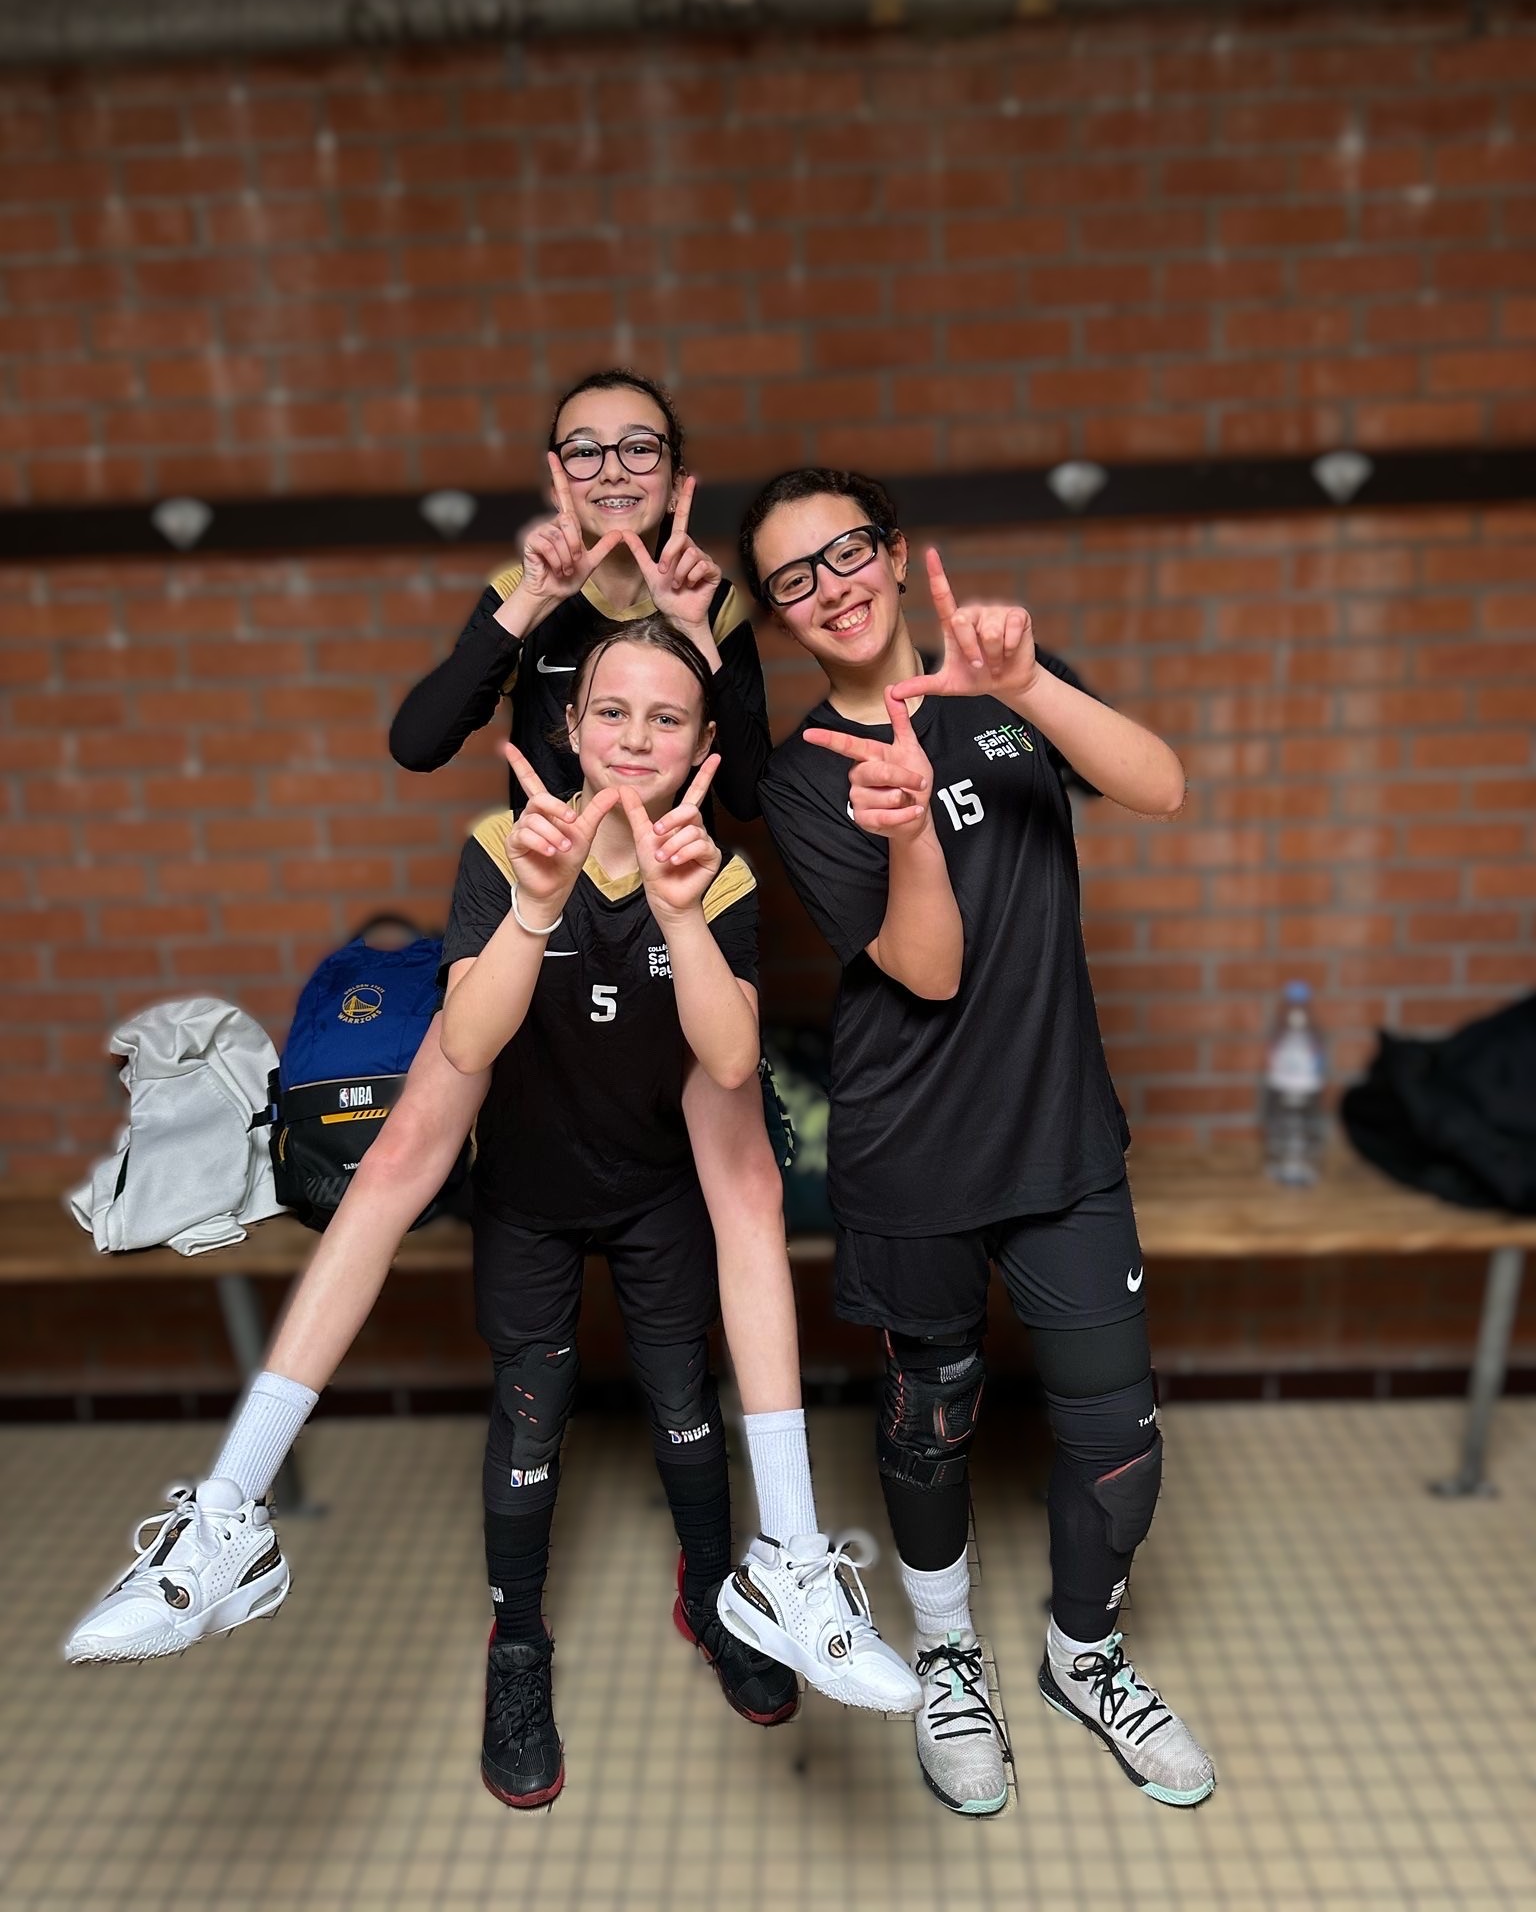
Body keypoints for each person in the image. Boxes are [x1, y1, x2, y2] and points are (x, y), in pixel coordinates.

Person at [65, 378, 917, 1724]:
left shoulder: (711, 646)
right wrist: (523, 625)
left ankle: (779, 1565)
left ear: (676, 472)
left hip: (667, 930)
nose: (616, 467)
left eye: (641, 446)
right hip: (536, 902)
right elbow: (420, 742)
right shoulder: (531, 614)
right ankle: (236, 1517)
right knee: (409, 1148)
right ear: (556, 470)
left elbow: (747, 797)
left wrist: (709, 648)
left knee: (742, 1189)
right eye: (589, 447)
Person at [718, 466, 1216, 1816]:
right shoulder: (803, 776)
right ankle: (948, 1656)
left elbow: (1163, 785)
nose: (831, 587)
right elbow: (926, 970)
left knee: (1118, 1434)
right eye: (794, 578)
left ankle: (1082, 1653)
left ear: (895, 552)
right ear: (777, 614)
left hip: (1061, 1136)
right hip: (914, 1152)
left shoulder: (1004, 684)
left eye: (847, 551)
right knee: (928, 1427)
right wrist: (908, 823)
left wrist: (1027, 685)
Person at [437, 617, 804, 1802]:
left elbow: (732, 1058)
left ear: (700, 742)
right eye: (612, 710)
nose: (636, 736)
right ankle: (518, 1644)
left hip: (658, 1191)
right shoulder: (502, 846)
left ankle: (715, 1593)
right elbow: (466, 1040)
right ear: (570, 723)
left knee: (685, 1400)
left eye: (666, 716)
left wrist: (680, 911)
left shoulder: (718, 870)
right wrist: (534, 902)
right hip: (528, 1193)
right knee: (530, 1418)